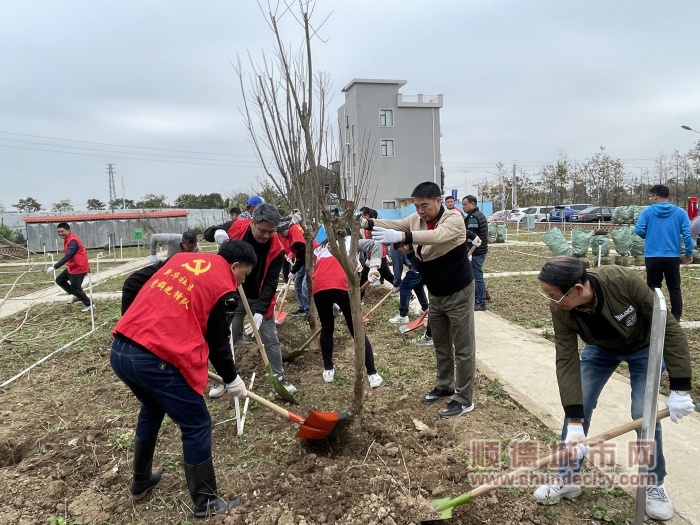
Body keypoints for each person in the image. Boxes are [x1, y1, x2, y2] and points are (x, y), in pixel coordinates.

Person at [534, 256, 696, 521]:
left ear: (576, 290)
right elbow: (566, 357)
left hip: (645, 348)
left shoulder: (621, 281)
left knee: (643, 413)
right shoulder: (561, 308)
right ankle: (567, 478)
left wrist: (680, 388)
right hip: (600, 350)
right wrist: (575, 421)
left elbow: (668, 328)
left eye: (554, 296)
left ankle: (653, 484)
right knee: (579, 406)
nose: (551, 301)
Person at [110, 240, 257, 519]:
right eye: (245, 275)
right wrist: (231, 378)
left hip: (121, 351)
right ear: (235, 266)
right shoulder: (222, 286)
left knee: (152, 408)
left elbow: (132, 282)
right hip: (155, 361)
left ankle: (140, 481)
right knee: (196, 422)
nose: (242, 281)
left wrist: (130, 325)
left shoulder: (180, 260)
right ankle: (206, 504)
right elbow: (217, 341)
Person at [365, 181, 476, 418]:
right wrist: (367, 222)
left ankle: (464, 398)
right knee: (441, 343)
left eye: (424, 205)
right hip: (436, 293)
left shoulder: (454, 219)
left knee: (463, 348)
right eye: (416, 206)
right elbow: (394, 224)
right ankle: (445, 386)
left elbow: (436, 236)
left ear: (438, 200)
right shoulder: (416, 220)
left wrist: (404, 236)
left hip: (459, 291)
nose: (420, 211)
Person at [206, 202, 297, 397]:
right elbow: (209, 232)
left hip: (258, 297)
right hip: (232, 294)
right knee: (223, 335)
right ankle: (223, 379)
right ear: (253, 223)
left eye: (271, 232)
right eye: (262, 230)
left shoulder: (277, 249)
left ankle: (279, 377)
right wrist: (217, 234)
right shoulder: (237, 228)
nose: (266, 236)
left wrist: (260, 312)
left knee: (270, 338)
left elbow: (271, 284)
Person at [312, 231, 383, 387]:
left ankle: (328, 370)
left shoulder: (322, 245)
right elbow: (375, 244)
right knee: (356, 329)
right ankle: (372, 374)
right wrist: (373, 267)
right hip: (343, 284)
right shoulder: (351, 241)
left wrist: (334, 303)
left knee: (327, 328)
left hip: (319, 286)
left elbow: (315, 265)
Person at [634, 184, 694, 321]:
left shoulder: (647, 212)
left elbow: (638, 229)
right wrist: (688, 253)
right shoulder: (680, 213)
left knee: (653, 287)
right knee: (674, 287)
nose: (651, 198)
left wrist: (647, 235)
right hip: (672, 256)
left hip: (652, 255)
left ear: (655, 196)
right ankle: (676, 317)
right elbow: (688, 234)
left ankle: (654, 316)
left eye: (651, 196)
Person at [46, 222, 93, 312]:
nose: (60, 233)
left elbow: (68, 256)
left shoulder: (73, 241)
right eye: (58, 232)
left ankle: (89, 304)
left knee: (76, 288)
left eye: (62, 231)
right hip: (72, 266)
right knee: (60, 280)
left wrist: (54, 267)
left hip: (79, 267)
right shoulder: (68, 239)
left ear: (68, 230)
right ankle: (76, 295)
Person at [388, 242, 429, 324]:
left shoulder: (394, 247)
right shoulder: (404, 243)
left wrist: (396, 284)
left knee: (404, 288)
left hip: (417, 268)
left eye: (401, 251)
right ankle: (425, 308)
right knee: (418, 286)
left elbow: (397, 267)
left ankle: (403, 315)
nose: (401, 252)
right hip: (421, 268)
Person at [462, 195, 489, 311]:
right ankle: (479, 297)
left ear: (472, 204)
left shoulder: (473, 217)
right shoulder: (479, 214)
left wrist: (468, 252)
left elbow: (471, 236)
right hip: (481, 250)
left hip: (476, 252)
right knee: (476, 275)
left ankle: (480, 301)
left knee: (477, 276)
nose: (463, 207)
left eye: (465, 204)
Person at [277, 220, 309, 316]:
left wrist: (293, 270)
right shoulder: (291, 233)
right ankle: (302, 308)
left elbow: (301, 255)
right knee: (298, 284)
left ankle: (309, 311)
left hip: (312, 259)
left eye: (281, 233)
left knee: (305, 285)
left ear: (287, 229)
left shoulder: (296, 237)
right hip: (303, 259)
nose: (280, 235)